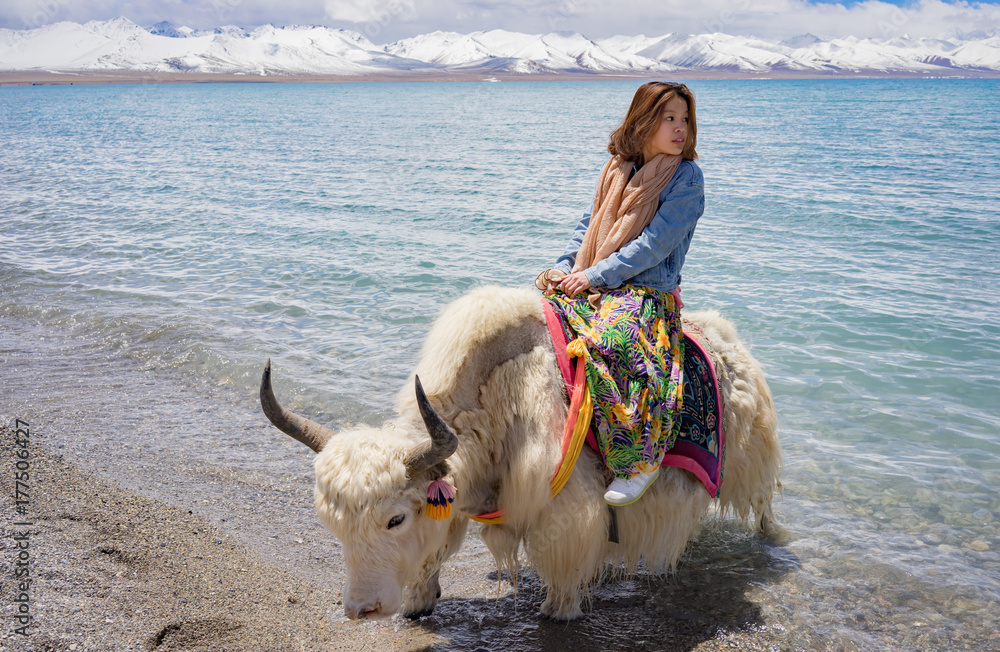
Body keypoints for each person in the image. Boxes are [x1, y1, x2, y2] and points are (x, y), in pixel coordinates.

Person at [536, 81, 704, 507]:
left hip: (647, 290)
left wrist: (594, 276)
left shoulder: (686, 178)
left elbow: (653, 246)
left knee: (612, 340)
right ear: (643, 121)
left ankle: (640, 460)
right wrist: (564, 267)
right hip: (596, 275)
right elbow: (589, 225)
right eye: (669, 118)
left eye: (685, 119)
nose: (680, 128)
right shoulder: (617, 168)